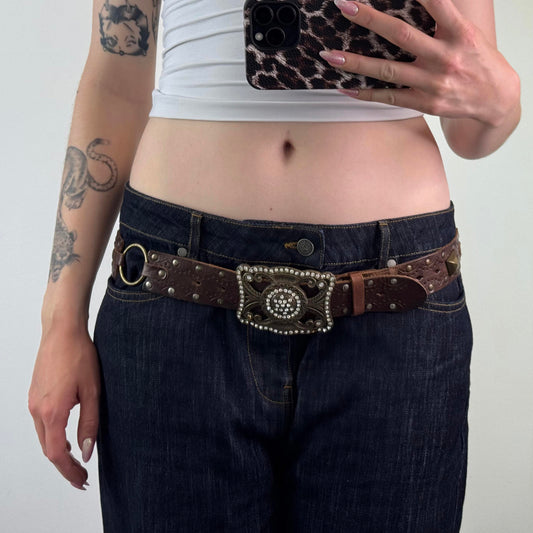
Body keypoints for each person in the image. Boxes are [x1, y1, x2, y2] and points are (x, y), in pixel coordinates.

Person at [28, 0, 520, 530]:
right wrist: (60, 321)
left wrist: (502, 102)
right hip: (176, 291)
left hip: (396, 297)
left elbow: (470, 124)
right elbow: (115, 84)